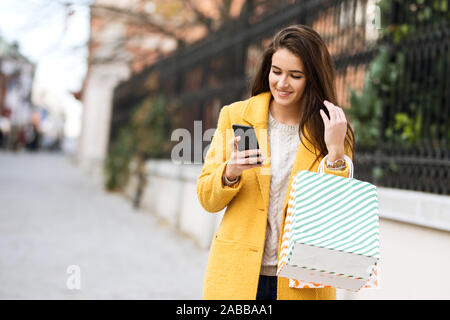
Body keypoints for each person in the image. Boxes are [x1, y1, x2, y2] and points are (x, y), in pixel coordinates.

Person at [196, 25, 355, 300]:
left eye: (295, 75)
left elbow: (336, 209)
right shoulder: (237, 117)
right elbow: (207, 199)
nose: (282, 83)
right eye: (276, 71)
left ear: (312, 78)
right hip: (238, 277)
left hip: (301, 282)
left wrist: (336, 153)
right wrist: (230, 172)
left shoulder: (331, 128)